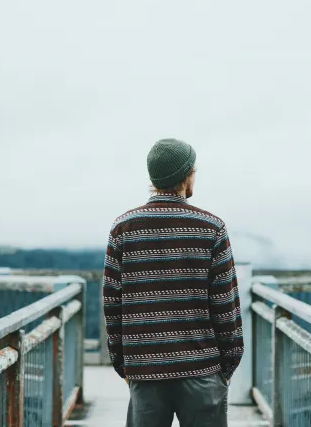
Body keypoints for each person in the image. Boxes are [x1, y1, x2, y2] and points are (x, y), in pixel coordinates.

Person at [102, 138, 244, 427]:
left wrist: (124, 364)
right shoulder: (211, 228)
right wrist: (226, 367)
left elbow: (112, 305)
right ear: (186, 175)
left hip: (144, 371)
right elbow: (225, 306)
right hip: (202, 370)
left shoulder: (122, 229)